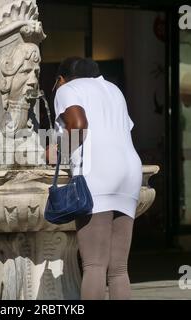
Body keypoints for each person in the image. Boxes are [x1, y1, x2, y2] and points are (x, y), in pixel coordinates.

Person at [47, 57, 142, 300]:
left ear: (61, 79)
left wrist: (58, 150)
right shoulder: (113, 89)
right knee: (119, 268)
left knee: (94, 266)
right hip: (130, 171)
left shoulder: (67, 89)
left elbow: (78, 124)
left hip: (97, 171)